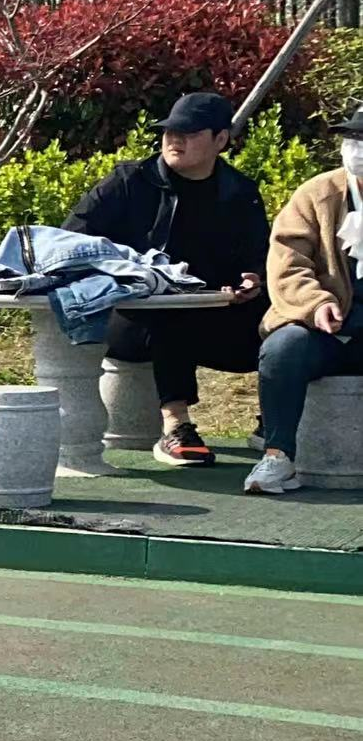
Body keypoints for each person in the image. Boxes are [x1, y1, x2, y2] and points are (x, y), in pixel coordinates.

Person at [64, 91, 270, 468]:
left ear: (221, 140)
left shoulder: (241, 192)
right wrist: (125, 276)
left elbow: (259, 257)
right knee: (170, 310)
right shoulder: (128, 182)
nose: (175, 139)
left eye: (189, 133)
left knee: (285, 320)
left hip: (213, 311)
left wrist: (252, 280)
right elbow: (70, 242)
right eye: (170, 131)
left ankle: (273, 421)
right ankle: (176, 427)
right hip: (127, 315)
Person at [243, 106, 363, 496]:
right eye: (352, 138)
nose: (357, 147)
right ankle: (278, 455)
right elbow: (287, 263)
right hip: (323, 329)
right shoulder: (317, 194)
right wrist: (316, 304)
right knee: (284, 348)